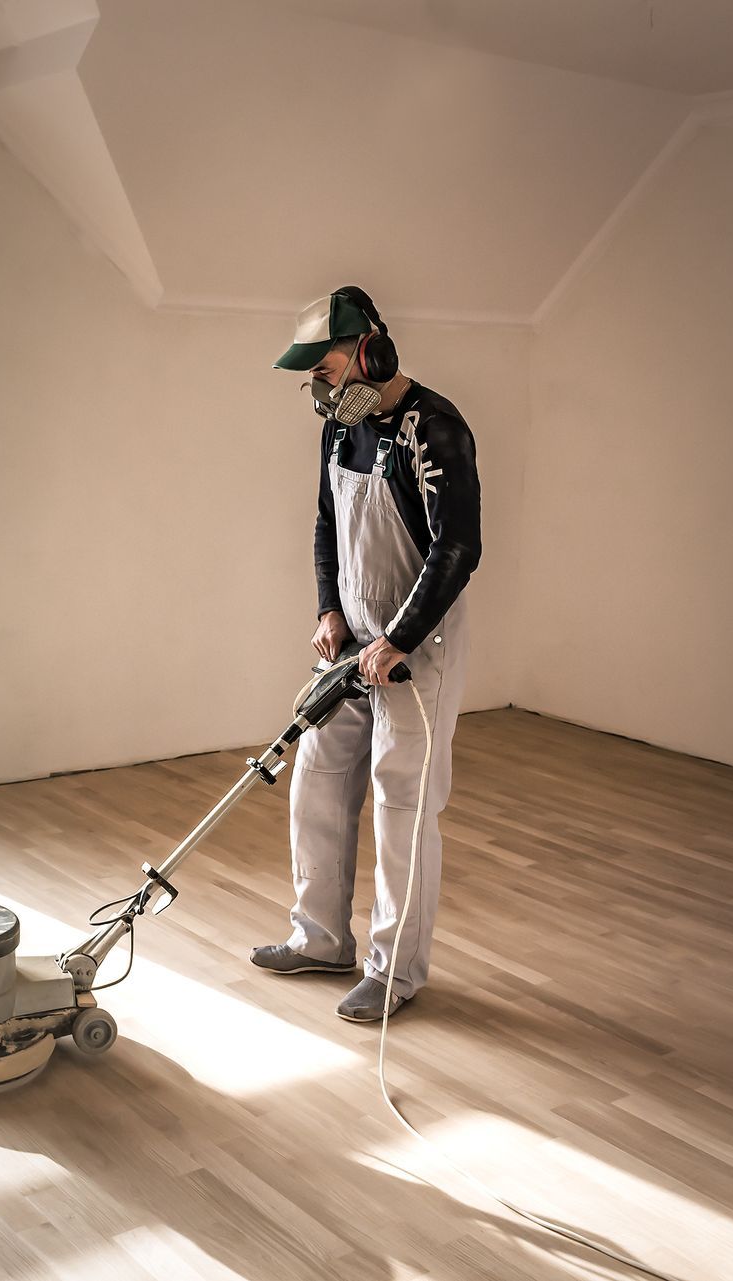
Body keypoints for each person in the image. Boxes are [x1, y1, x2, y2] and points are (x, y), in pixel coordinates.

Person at [251, 286, 482, 1022]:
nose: (316, 388)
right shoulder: (339, 429)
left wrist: (399, 638)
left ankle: (395, 971)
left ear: (370, 350)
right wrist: (329, 608)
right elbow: (327, 521)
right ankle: (319, 937)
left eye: (323, 370)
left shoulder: (435, 430)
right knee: (315, 779)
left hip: (417, 647)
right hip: (352, 641)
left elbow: (457, 547)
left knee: (401, 803)